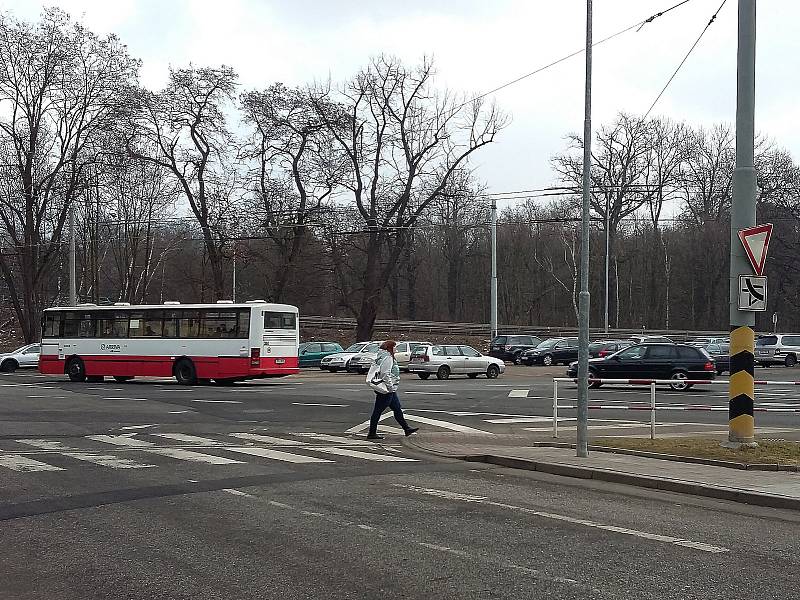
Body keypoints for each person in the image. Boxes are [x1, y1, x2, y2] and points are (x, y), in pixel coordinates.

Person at [367, 340, 419, 440]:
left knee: (397, 408)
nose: (396, 349)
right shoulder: (388, 358)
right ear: (389, 348)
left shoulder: (381, 356)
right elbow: (385, 374)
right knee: (378, 411)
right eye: (395, 347)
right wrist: (390, 387)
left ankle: (406, 428)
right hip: (387, 389)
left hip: (389, 389)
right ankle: (372, 433)